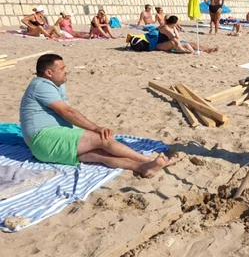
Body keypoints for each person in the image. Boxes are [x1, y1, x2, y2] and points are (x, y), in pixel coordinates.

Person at [20, 54, 178, 175]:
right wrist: (95, 128)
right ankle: (148, 161)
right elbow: (67, 112)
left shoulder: (56, 84)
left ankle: (142, 168)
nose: (66, 70)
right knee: (103, 139)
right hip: (44, 138)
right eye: (62, 68)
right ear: (48, 72)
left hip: (47, 146)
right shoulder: (41, 85)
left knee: (100, 155)